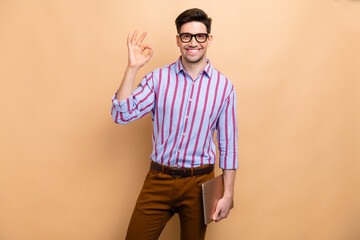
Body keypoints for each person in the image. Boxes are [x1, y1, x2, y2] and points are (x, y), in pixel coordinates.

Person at [111, 8, 238, 240]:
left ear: (209, 39)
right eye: (186, 36)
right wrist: (133, 68)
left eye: (200, 36)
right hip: (158, 180)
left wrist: (228, 192)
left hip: (200, 183)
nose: (193, 42)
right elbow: (122, 114)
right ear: (178, 40)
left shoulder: (224, 87)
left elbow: (228, 144)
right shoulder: (157, 79)